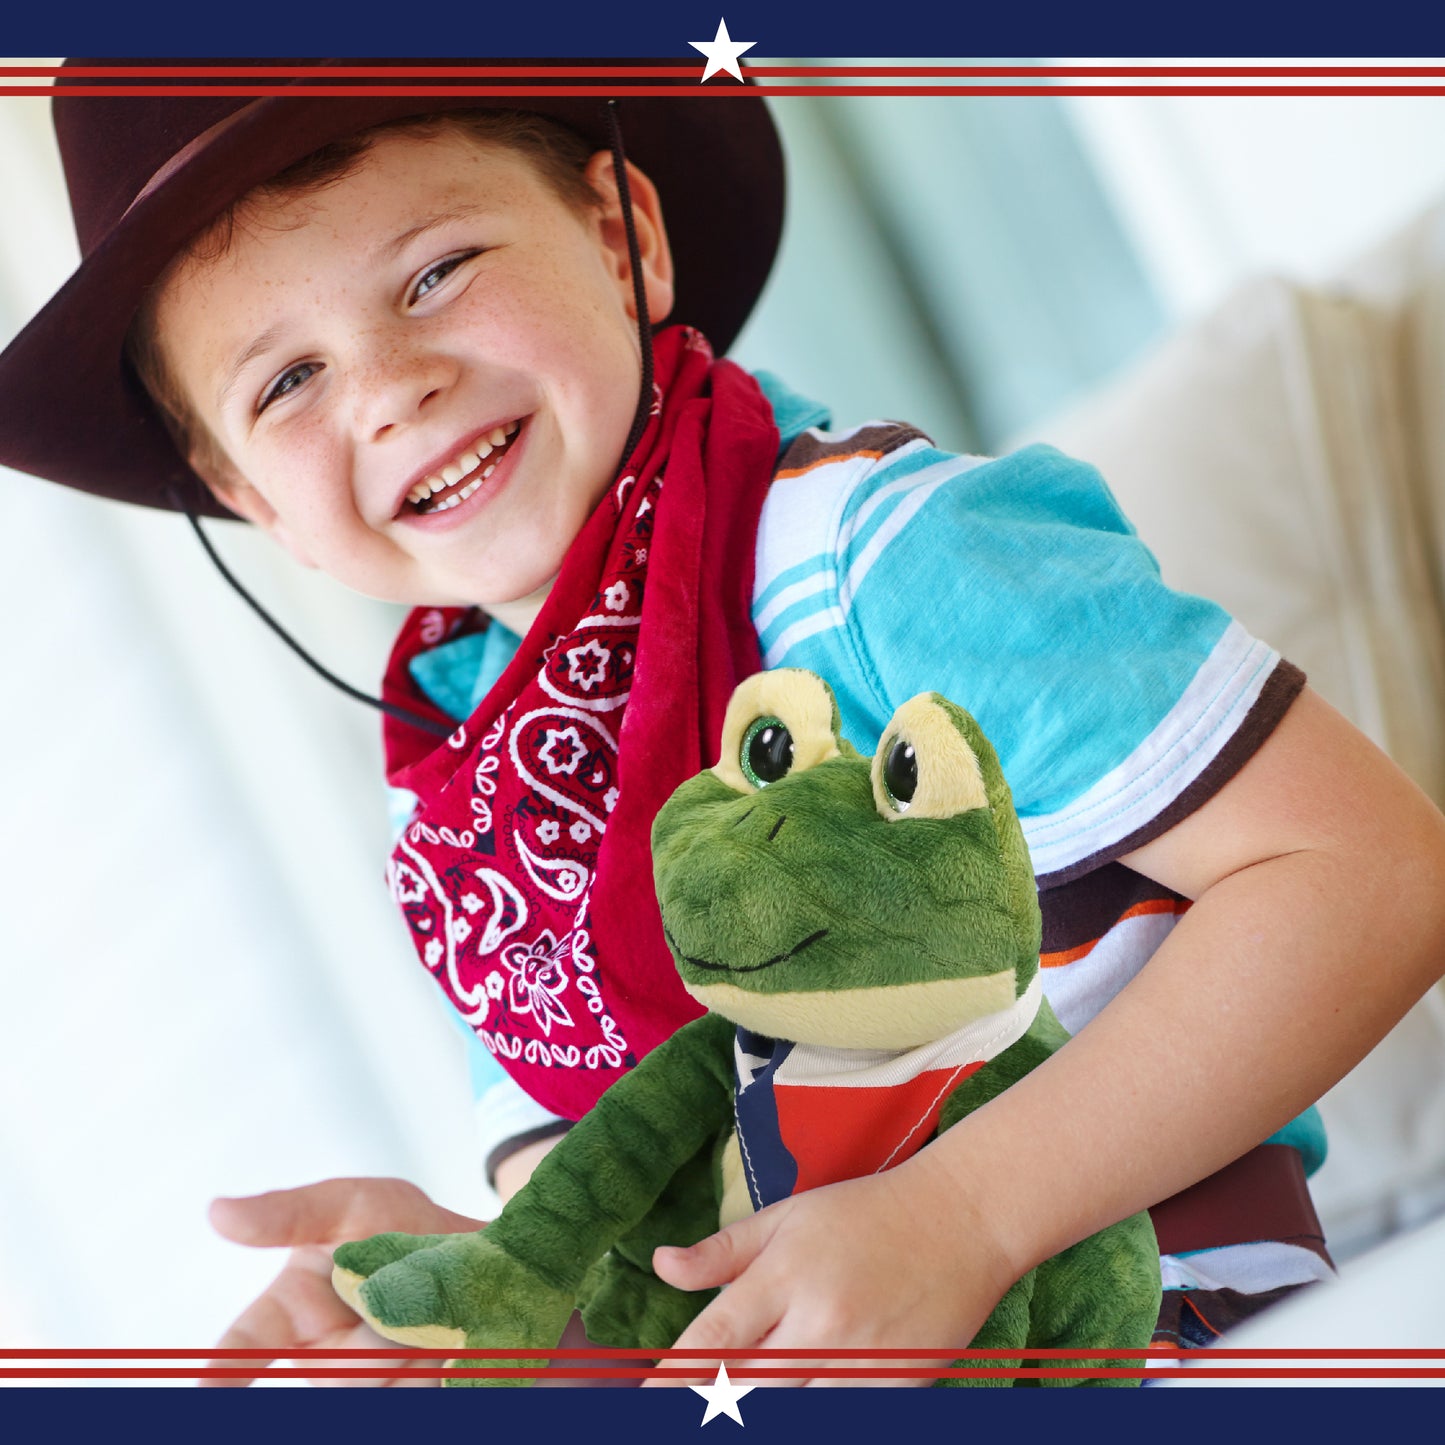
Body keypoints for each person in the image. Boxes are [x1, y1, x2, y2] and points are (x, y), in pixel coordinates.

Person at [2, 57, 1443, 1387]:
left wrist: (964, 1214)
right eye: (287, 381)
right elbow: (675, 1274)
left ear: (620, 237)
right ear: (247, 497)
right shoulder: (455, 813)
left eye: (436, 272)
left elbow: (1369, 870)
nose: (389, 391)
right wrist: (492, 1282)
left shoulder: (884, 555)